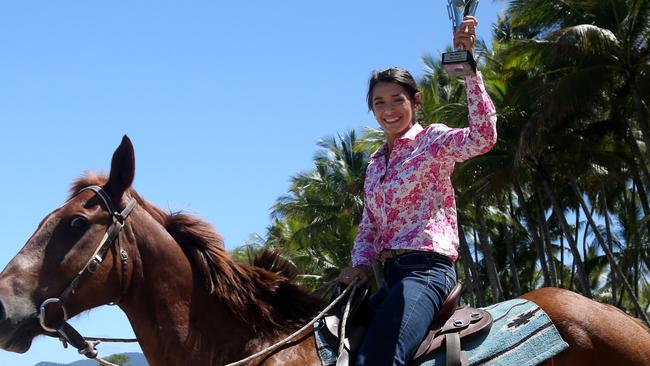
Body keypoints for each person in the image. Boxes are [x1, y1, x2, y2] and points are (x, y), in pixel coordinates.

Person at [337, 15, 497, 366]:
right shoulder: (376, 164)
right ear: (371, 109)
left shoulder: (432, 141)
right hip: (390, 278)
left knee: (378, 361)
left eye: (397, 100)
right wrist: (359, 266)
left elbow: (483, 137)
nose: (389, 110)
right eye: (379, 103)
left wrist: (470, 71)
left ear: (415, 101)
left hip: (427, 272)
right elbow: (370, 226)